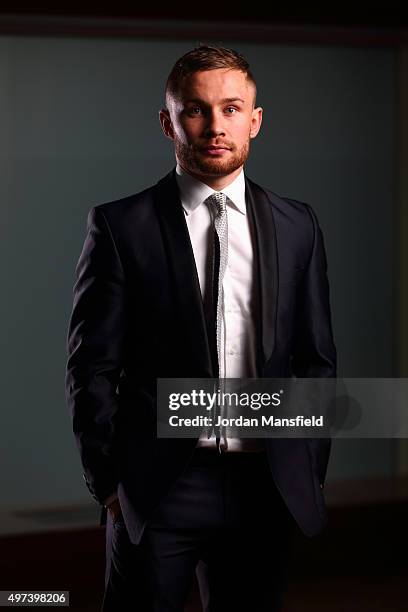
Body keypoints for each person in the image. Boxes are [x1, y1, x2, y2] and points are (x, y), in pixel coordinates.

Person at [65, 44, 337, 611]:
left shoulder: (297, 225)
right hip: (160, 487)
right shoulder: (120, 225)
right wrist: (112, 485)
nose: (216, 125)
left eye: (232, 108)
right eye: (196, 109)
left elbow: (315, 359)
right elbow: (92, 367)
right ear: (169, 121)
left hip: (265, 489)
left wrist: (306, 466)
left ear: (255, 121)